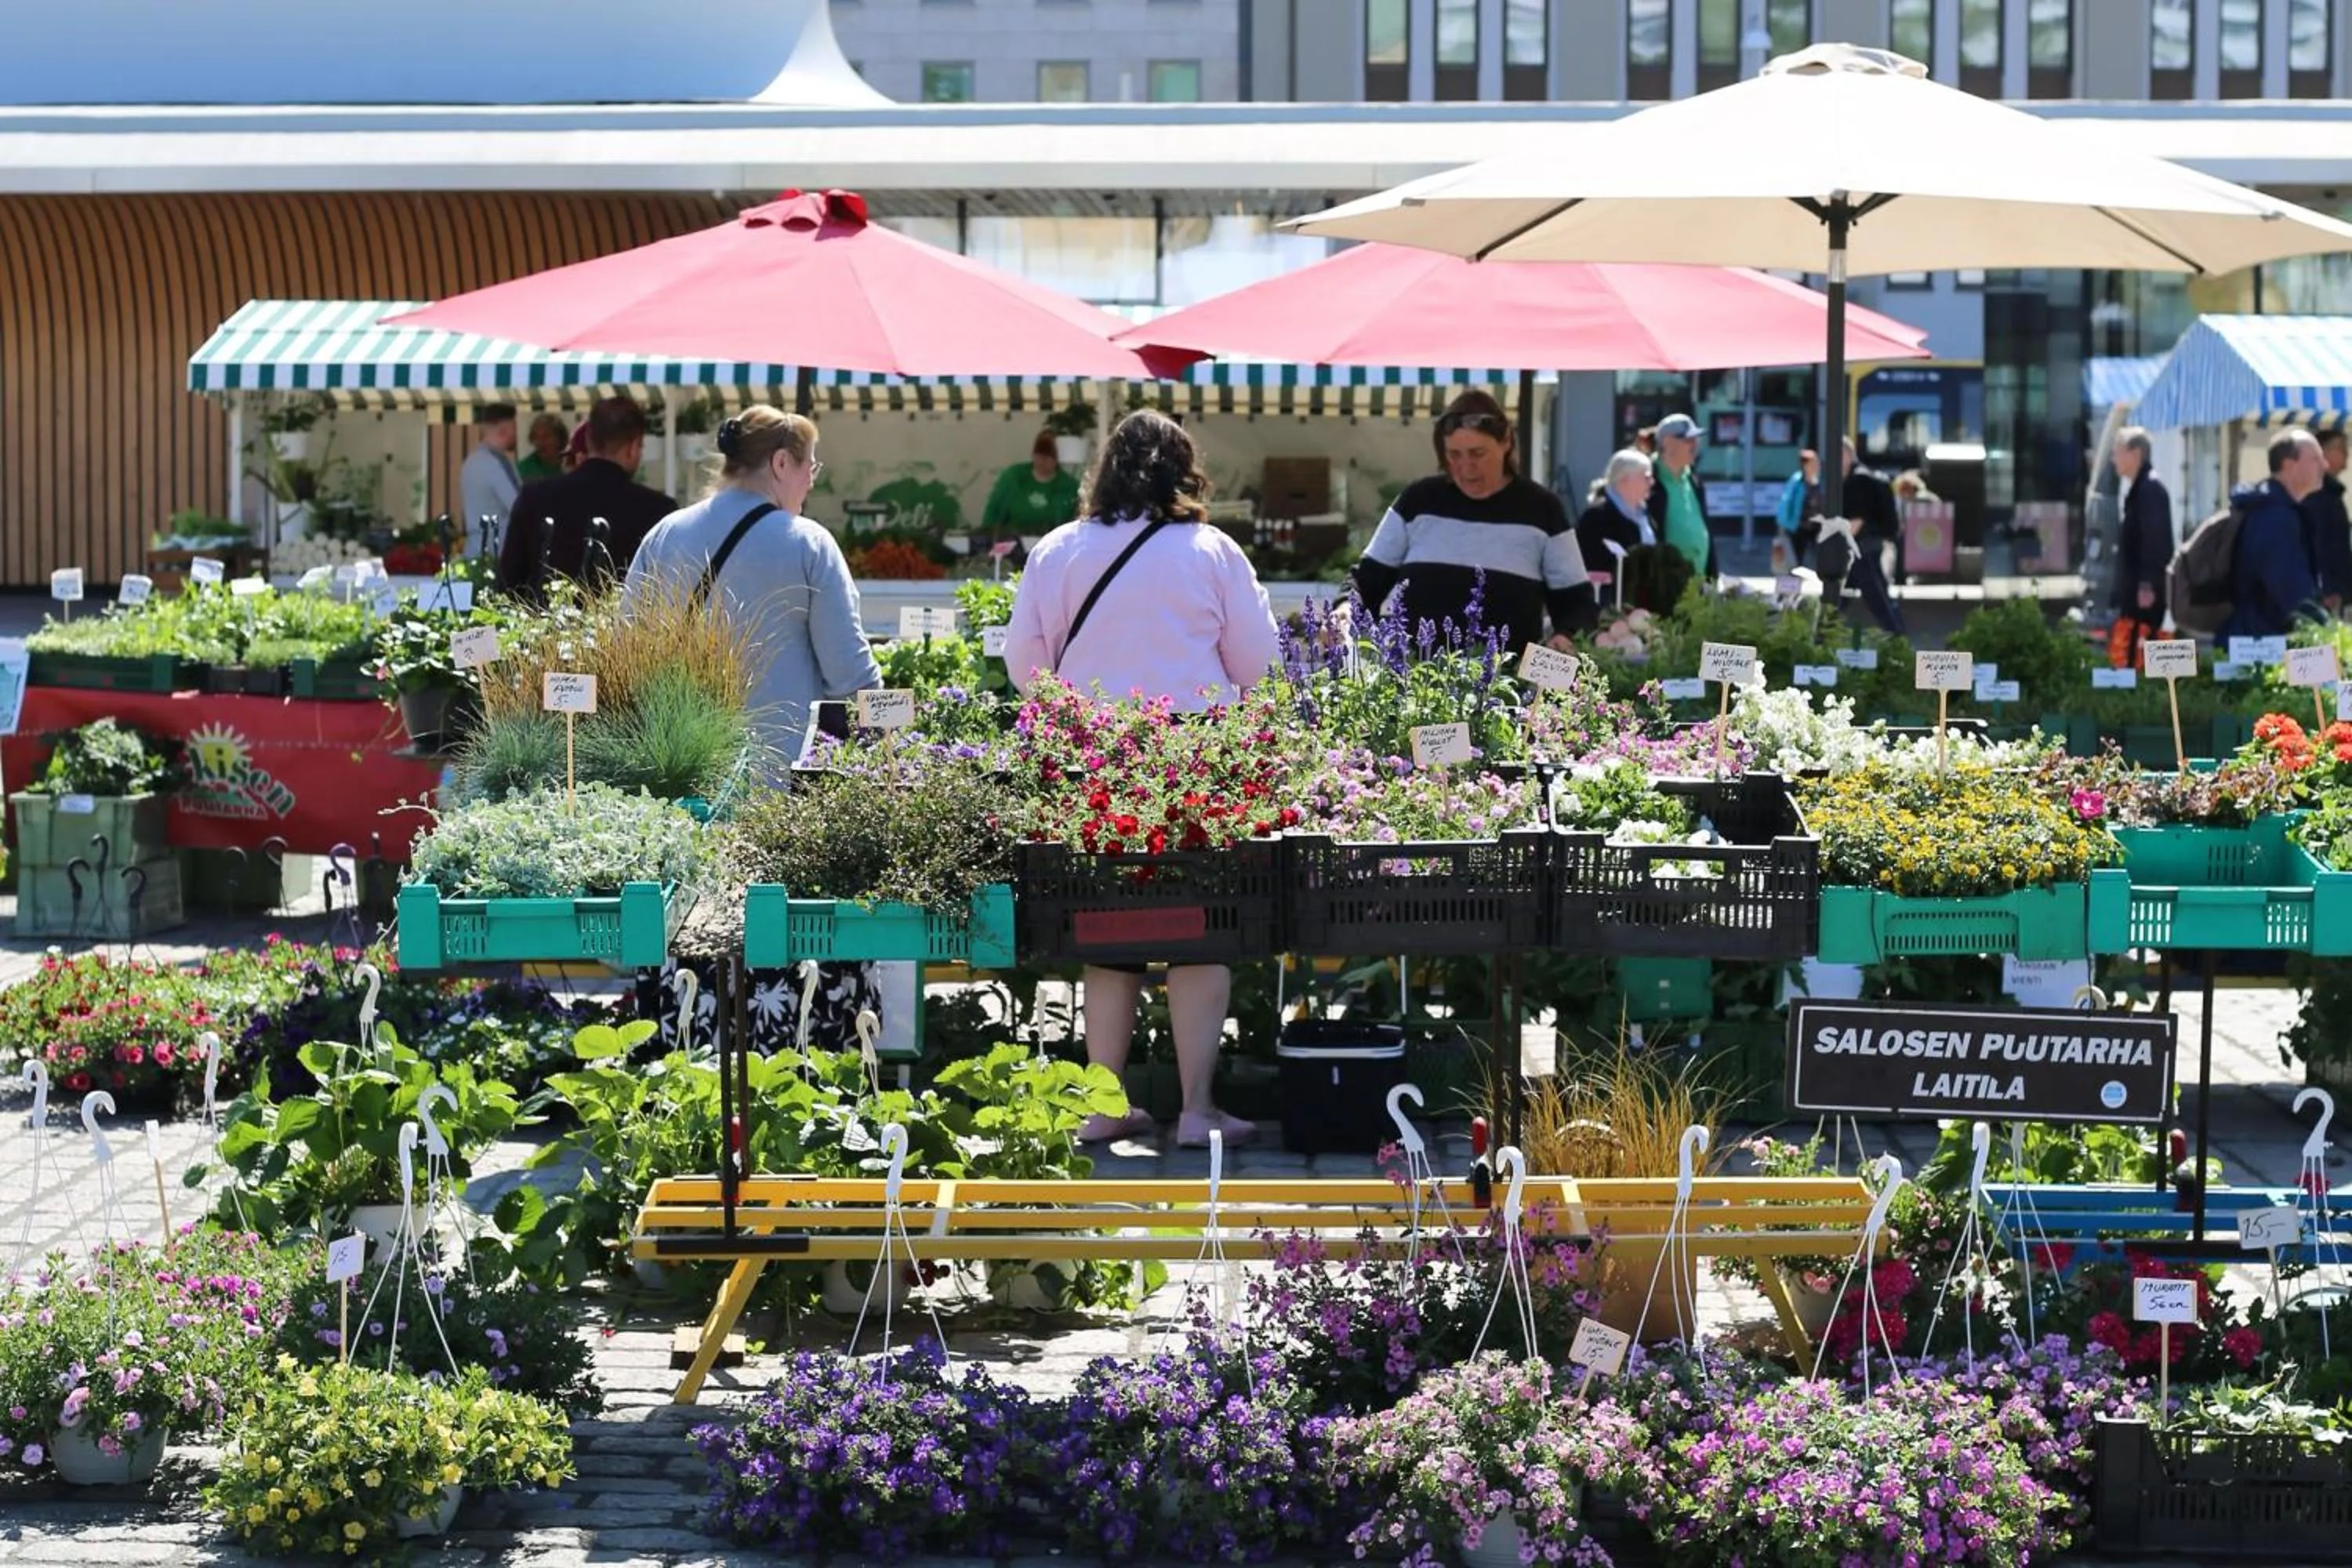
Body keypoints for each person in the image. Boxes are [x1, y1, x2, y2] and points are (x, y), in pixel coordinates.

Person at [1004, 410, 1279, 1150]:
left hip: (1093, 756)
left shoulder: (1058, 549)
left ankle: (1105, 1105)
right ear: (1187, 473)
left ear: (1104, 472)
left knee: (1109, 930)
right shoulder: (1213, 552)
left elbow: (1024, 662)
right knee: (1201, 929)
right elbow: (1259, 666)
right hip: (1197, 755)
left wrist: (1078, 713)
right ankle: (1197, 1110)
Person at [623, 406, 880, 762]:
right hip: (776, 771)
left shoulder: (665, 534)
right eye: (810, 468)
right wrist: (890, 744)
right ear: (781, 463)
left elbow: (628, 647)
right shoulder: (809, 544)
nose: (811, 482)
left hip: (677, 769)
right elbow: (850, 676)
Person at [1351, 390, 1595, 653]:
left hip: (1507, 676)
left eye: (1478, 453)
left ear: (1506, 441)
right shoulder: (1417, 501)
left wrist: (1565, 637)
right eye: (1454, 455)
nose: (1466, 467)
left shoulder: (1543, 509)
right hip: (1414, 674)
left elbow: (1577, 603)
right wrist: (1344, 612)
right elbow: (1365, 581)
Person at [499, 396, 678, 598]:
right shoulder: (658, 511)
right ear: (633, 447)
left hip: (543, 617)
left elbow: (508, 586)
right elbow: (671, 591)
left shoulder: (534, 498)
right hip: (624, 617)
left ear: (588, 440)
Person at [2221, 427, 2328, 641]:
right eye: (2316, 458)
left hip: (2259, 636)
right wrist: (2326, 631)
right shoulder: (2274, 516)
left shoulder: (2275, 510)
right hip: (2261, 642)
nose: (2325, 465)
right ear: (2289, 465)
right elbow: (2291, 589)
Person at [2110, 426, 2175, 636]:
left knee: (2146, 646)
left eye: (2117, 452)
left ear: (2135, 453)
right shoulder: (2139, 488)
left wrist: (2147, 585)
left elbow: (2156, 542)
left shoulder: (2150, 489)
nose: (2113, 459)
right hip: (2134, 592)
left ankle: (2184, 656)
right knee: (2136, 648)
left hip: (2145, 594)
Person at [1838, 438, 1907, 635]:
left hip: (1861, 548)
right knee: (1844, 598)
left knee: (1877, 598)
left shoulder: (1857, 481)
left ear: (1847, 455)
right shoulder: (1865, 477)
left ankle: (1896, 636)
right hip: (1868, 545)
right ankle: (1821, 636)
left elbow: (1856, 521)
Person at [1643, 413, 1716, 581]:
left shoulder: (1694, 480)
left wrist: (1713, 577)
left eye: (1696, 439)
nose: (1695, 445)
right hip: (1664, 584)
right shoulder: (1647, 479)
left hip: (1698, 582)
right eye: (1688, 440)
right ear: (1668, 443)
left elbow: (1705, 530)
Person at [982, 430, 1082, 542]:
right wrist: (987, 539)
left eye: (1049, 456)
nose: (1042, 460)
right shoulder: (1014, 477)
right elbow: (993, 511)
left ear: (1058, 458)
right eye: (1039, 453)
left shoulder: (1069, 486)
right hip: (1012, 542)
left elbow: (1076, 524)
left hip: (1051, 544)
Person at [1575, 448, 1657, 570]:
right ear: (1625, 479)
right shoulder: (1597, 517)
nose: (1652, 482)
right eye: (1647, 477)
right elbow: (1590, 564)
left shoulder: (1645, 514)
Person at [459, 403, 521, 559]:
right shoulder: (497, 463)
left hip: (476, 549)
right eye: (514, 428)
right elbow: (519, 506)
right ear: (504, 430)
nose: (516, 434)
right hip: (496, 553)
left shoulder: (472, 461)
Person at [2314, 428, 2351, 609]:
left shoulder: (2332, 494)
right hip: (2328, 592)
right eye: (2342, 449)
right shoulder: (2319, 493)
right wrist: (2328, 588)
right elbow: (2320, 543)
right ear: (2324, 451)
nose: (2347, 455)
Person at [1775, 449, 1822, 565]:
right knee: (1796, 558)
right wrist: (1783, 524)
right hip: (1798, 526)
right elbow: (1786, 502)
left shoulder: (1819, 481)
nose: (1817, 466)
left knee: (1819, 557)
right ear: (1805, 465)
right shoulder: (1797, 481)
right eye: (1813, 463)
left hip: (1816, 526)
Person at [517, 413, 569, 485]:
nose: (540, 443)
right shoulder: (523, 470)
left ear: (559, 439)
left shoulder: (570, 465)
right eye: (536, 437)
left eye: (546, 437)